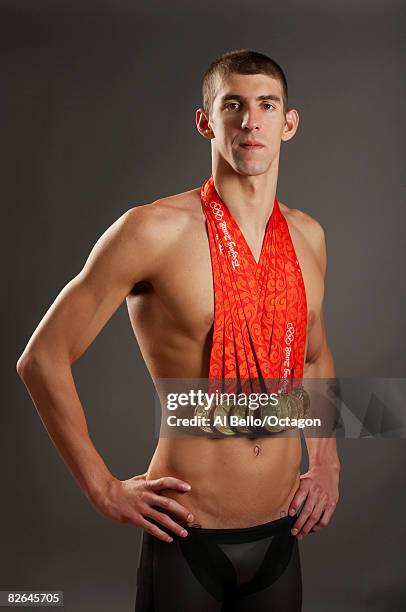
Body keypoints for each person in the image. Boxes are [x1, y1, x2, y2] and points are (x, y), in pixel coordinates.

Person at [17, 49, 340, 611]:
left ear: (289, 123)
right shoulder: (153, 230)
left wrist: (329, 464)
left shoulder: (308, 236)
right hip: (189, 536)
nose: (250, 121)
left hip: (281, 537)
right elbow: (41, 358)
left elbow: (311, 356)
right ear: (206, 121)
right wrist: (102, 487)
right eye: (232, 105)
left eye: (266, 105)